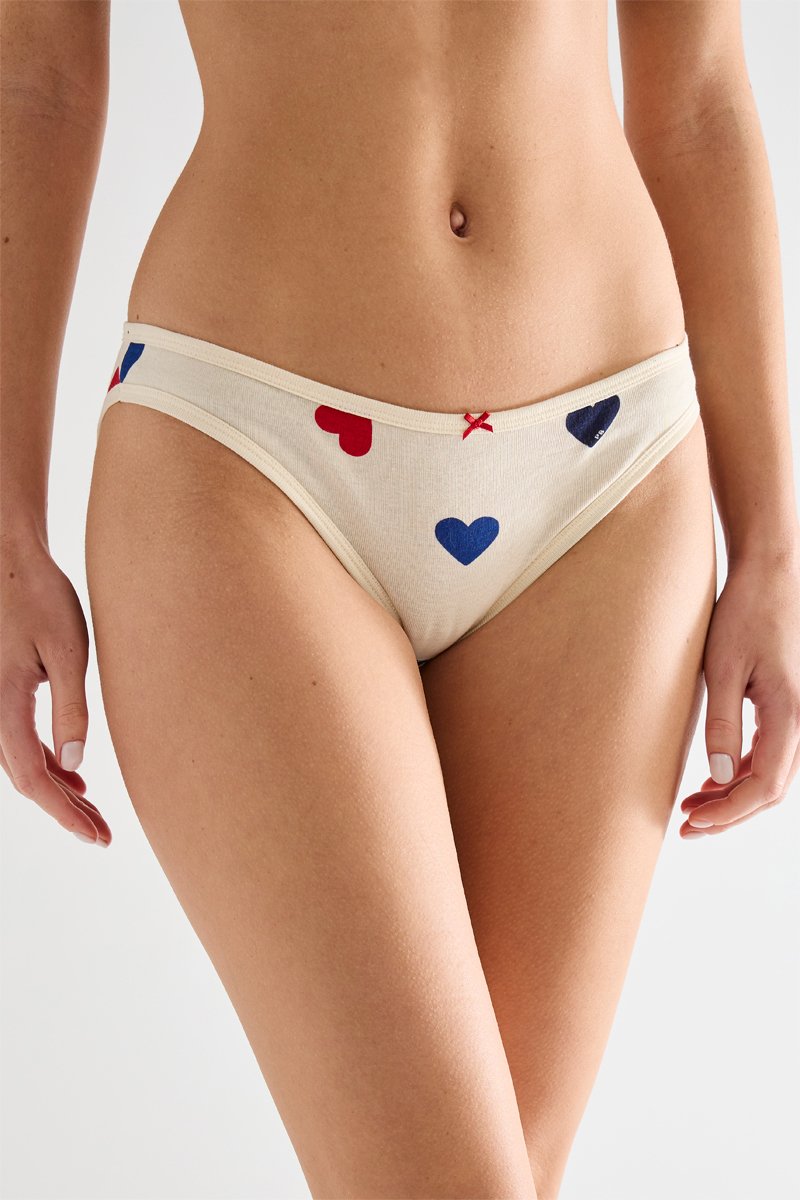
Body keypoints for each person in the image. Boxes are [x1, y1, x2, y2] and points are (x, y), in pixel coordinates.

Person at [2, 1, 798, 1196]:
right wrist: (7, 528)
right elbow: (36, 84)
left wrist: (771, 544)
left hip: (606, 479)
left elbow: (698, 101)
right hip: (247, 451)